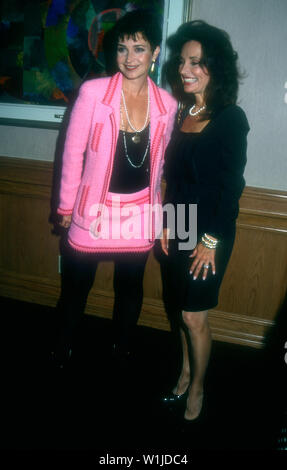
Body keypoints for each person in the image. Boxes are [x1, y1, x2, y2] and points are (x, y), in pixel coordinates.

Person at [52, 10, 177, 367]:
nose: (129, 58)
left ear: (155, 52)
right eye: (122, 49)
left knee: (130, 288)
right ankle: (62, 346)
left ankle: (120, 348)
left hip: (139, 212)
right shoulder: (93, 93)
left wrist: (163, 215)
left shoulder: (167, 105)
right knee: (76, 288)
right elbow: (72, 152)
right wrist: (64, 206)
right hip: (92, 210)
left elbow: (164, 165)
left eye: (139, 49)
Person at [160, 20, 249, 421]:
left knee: (195, 315)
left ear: (215, 67)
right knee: (179, 309)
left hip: (210, 229)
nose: (185, 69)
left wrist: (210, 240)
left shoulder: (231, 118)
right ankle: (183, 372)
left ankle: (197, 387)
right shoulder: (183, 112)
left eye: (196, 62)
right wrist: (166, 222)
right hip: (177, 221)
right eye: (182, 61)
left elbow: (230, 188)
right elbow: (174, 179)